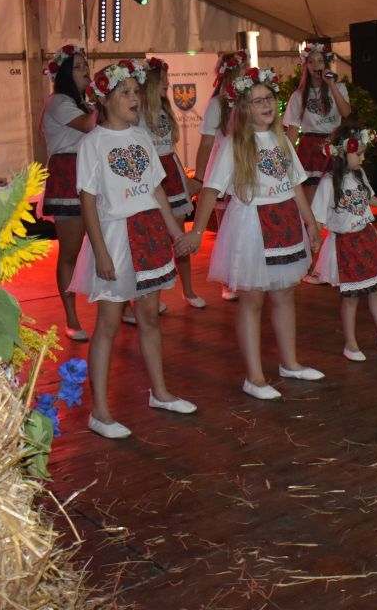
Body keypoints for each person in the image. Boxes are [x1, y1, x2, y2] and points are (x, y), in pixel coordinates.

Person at [180, 65, 324, 400]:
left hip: (285, 221)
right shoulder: (234, 144)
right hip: (252, 225)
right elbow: (211, 189)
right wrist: (198, 231)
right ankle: (254, 378)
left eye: (269, 98)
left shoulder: (282, 139)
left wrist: (311, 222)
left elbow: (295, 185)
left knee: (285, 294)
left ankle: (290, 363)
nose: (267, 104)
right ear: (243, 108)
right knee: (253, 300)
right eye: (258, 100)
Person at [70, 60, 196, 438]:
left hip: (149, 232)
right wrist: (101, 252)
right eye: (125, 92)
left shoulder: (141, 136)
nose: (134, 98)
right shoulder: (92, 143)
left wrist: (175, 233)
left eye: (136, 91)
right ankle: (100, 412)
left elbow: (156, 189)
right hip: (115, 236)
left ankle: (160, 392)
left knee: (150, 316)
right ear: (104, 100)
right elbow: (88, 201)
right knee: (108, 323)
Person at [310, 125, 377, 361]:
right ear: (343, 153)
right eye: (359, 153)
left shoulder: (359, 174)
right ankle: (350, 344)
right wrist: (314, 241)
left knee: (376, 290)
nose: (363, 158)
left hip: (367, 237)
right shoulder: (328, 183)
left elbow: (369, 197)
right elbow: (318, 218)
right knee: (351, 297)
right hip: (347, 245)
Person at [135, 56, 205, 310]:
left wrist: (185, 178)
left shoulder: (165, 109)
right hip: (149, 174)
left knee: (179, 235)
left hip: (170, 173)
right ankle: (148, 296)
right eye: (163, 79)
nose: (167, 83)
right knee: (152, 238)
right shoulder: (136, 111)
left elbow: (170, 147)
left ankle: (188, 290)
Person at [284, 41, 352, 284]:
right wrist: (286, 161)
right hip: (310, 149)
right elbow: (292, 130)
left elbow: (346, 113)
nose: (316, 66)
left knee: (338, 204)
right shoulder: (298, 95)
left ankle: (335, 264)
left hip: (334, 147)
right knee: (313, 211)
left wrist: (331, 84)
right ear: (305, 65)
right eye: (311, 62)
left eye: (320, 61)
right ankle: (311, 265)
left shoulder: (338, 87)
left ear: (327, 63)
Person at [38, 44, 95, 341]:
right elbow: (88, 125)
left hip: (91, 172)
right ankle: (71, 318)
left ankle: (121, 306)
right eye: (78, 67)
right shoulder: (58, 101)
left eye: (86, 65)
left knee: (107, 244)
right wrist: (111, 98)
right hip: (68, 174)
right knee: (71, 252)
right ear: (63, 74)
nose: (86, 70)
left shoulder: (86, 102)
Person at [193, 50, 247, 302]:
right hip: (224, 170)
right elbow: (206, 144)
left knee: (247, 227)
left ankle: (247, 275)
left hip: (245, 167)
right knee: (227, 229)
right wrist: (200, 178)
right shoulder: (216, 104)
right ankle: (228, 281)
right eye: (243, 69)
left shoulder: (248, 100)